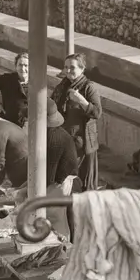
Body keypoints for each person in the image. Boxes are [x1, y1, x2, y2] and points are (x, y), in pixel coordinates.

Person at [54, 52, 103, 191]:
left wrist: (82, 101)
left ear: (82, 69)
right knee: (65, 179)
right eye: (66, 67)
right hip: (65, 140)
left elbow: (97, 113)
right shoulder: (62, 86)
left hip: (82, 143)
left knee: (82, 181)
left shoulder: (89, 87)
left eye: (72, 67)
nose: (68, 70)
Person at [45, 102, 80, 187]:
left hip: (63, 183)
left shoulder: (53, 138)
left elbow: (50, 176)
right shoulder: (52, 132)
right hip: (57, 178)